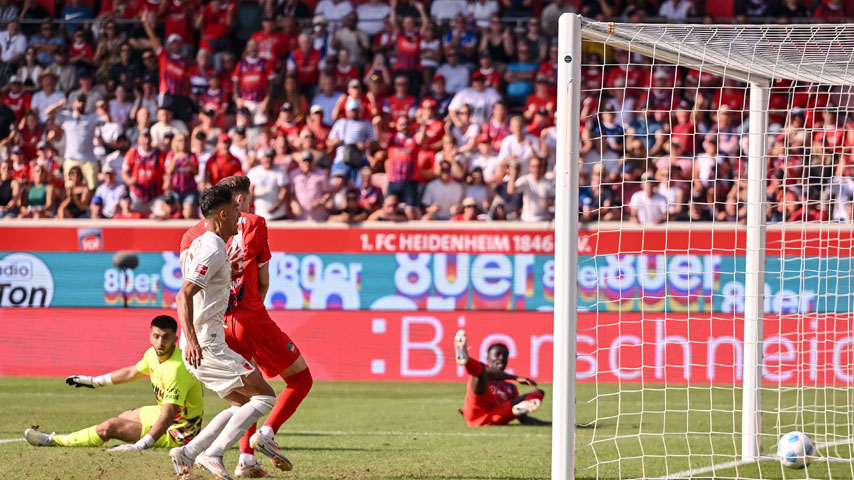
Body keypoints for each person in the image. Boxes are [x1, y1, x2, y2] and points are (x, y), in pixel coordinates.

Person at [179, 176, 310, 478]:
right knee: (295, 381)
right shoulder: (252, 224)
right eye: (246, 202)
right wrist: (252, 310)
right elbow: (262, 282)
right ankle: (258, 438)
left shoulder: (192, 237)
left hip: (216, 325)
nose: (245, 211)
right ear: (236, 201)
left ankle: (242, 459)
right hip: (243, 320)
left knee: (246, 398)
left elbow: (192, 282)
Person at [24, 316, 204, 451]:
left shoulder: (177, 369)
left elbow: (168, 416)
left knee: (110, 427)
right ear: (150, 336)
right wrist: (94, 382)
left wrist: (140, 446)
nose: (160, 342)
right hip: (169, 415)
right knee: (124, 417)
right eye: (156, 336)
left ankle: (53, 440)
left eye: (166, 337)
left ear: (175, 338)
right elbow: (132, 372)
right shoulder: (152, 354)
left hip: (181, 432)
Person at [453, 330, 548, 426]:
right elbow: (490, 373)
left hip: (495, 416)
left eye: (505, 356)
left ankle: (529, 401)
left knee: (539, 392)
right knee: (480, 374)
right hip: (475, 411)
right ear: (488, 358)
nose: (501, 358)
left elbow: (524, 419)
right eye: (497, 354)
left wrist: (551, 425)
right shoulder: (484, 372)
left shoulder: (511, 388)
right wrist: (515, 377)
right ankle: (465, 359)